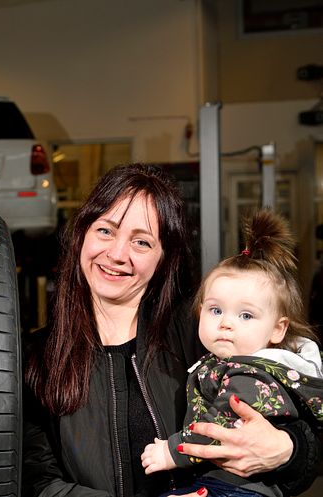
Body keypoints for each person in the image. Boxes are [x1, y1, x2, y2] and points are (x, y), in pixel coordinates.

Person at [22, 164, 321, 497]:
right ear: (82, 234)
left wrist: (287, 449)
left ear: (164, 258)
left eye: (141, 242)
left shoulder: (207, 331)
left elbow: (302, 422)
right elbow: (37, 481)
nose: (117, 255)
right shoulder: (40, 355)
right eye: (105, 231)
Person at [141, 209, 323, 497]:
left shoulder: (251, 374)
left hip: (240, 488)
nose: (226, 322)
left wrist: (170, 452)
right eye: (215, 310)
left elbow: (219, 427)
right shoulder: (223, 362)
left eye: (246, 316)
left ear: (278, 330)